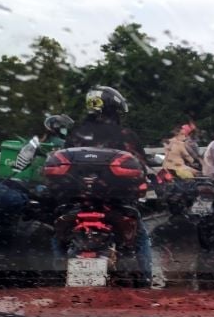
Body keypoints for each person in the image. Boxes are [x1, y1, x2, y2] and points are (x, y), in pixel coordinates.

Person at [62, 86, 153, 284]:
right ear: (114, 108)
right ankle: (146, 282)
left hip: (78, 204)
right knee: (140, 236)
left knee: (58, 236)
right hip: (116, 203)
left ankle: (54, 277)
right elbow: (141, 168)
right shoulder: (125, 135)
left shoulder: (74, 134)